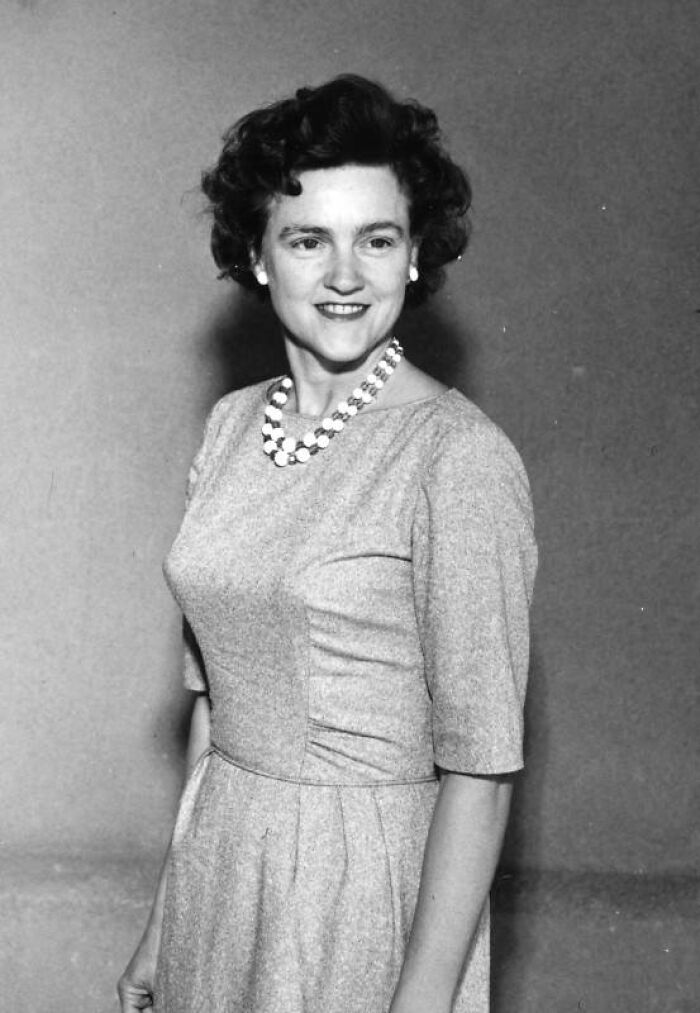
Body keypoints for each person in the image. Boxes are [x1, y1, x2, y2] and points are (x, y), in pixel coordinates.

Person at [118, 74, 537, 1013]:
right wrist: (164, 922)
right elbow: (214, 715)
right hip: (224, 872)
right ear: (260, 257)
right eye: (309, 239)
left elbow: (484, 775)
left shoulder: (458, 458)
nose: (345, 275)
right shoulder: (231, 426)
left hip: (361, 893)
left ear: (414, 255)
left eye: (377, 240)